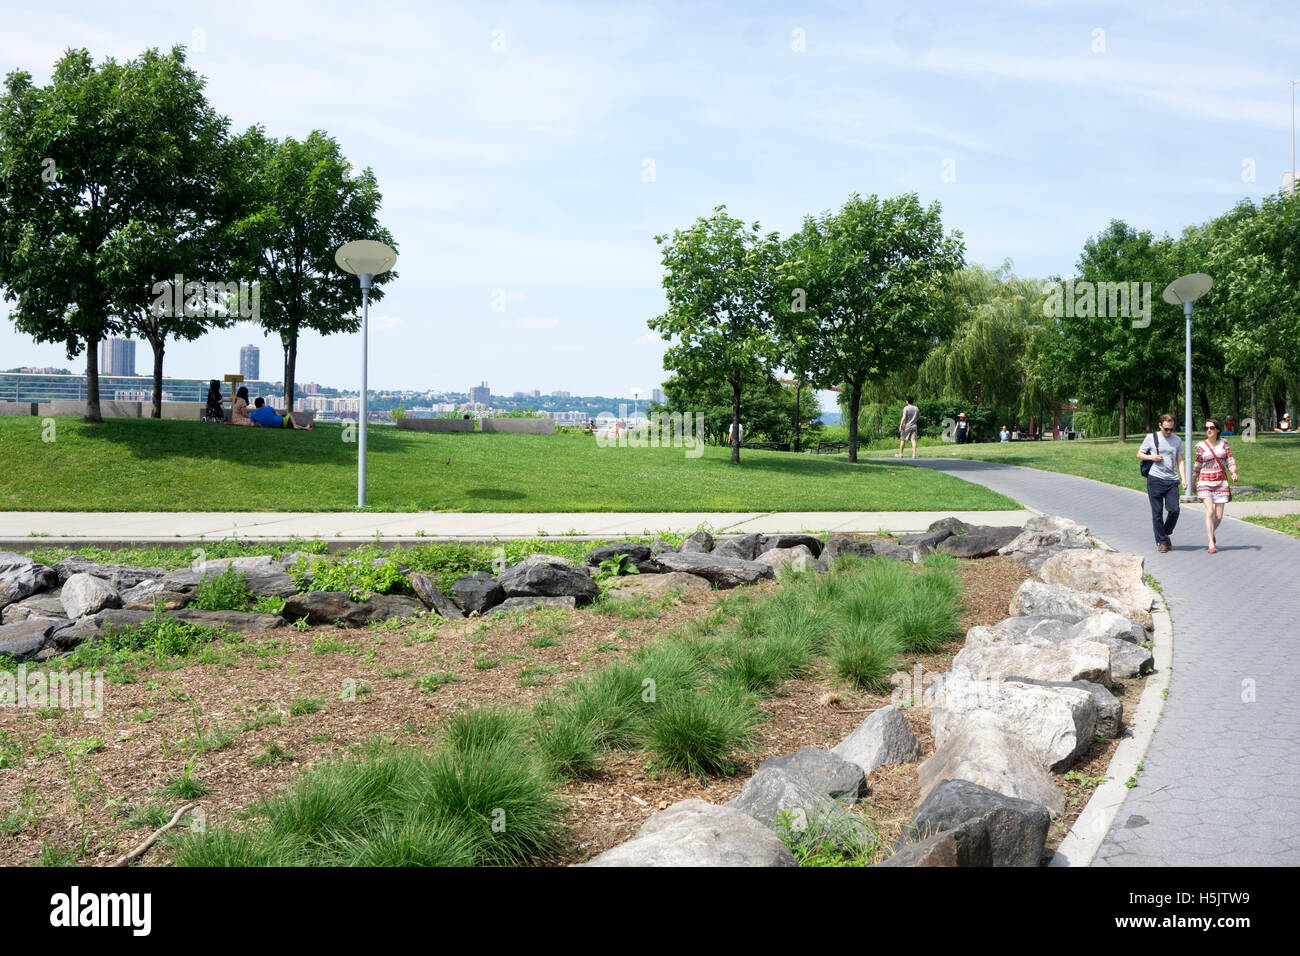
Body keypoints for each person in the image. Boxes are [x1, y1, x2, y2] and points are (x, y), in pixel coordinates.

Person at [1138, 413, 1186, 553]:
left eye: (1171, 429)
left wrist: (1183, 478)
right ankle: (1161, 542)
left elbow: (1180, 460)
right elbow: (1139, 454)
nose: (1169, 432)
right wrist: (1152, 457)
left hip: (1172, 480)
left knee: (1174, 509)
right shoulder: (1151, 438)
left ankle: (1165, 533)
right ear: (1160, 425)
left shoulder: (1177, 440)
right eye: (1166, 429)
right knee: (1157, 513)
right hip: (1155, 479)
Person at [1192, 418, 1238, 554]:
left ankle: (1211, 532)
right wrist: (1193, 481)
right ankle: (1211, 543)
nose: (1209, 430)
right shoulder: (1201, 445)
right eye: (1206, 428)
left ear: (1217, 429)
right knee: (1210, 512)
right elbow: (1198, 463)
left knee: (1218, 516)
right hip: (1204, 481)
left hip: (1221, 481)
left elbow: (1229, 458)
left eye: (1211, 427)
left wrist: (1233, 471)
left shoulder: (1224, 443)